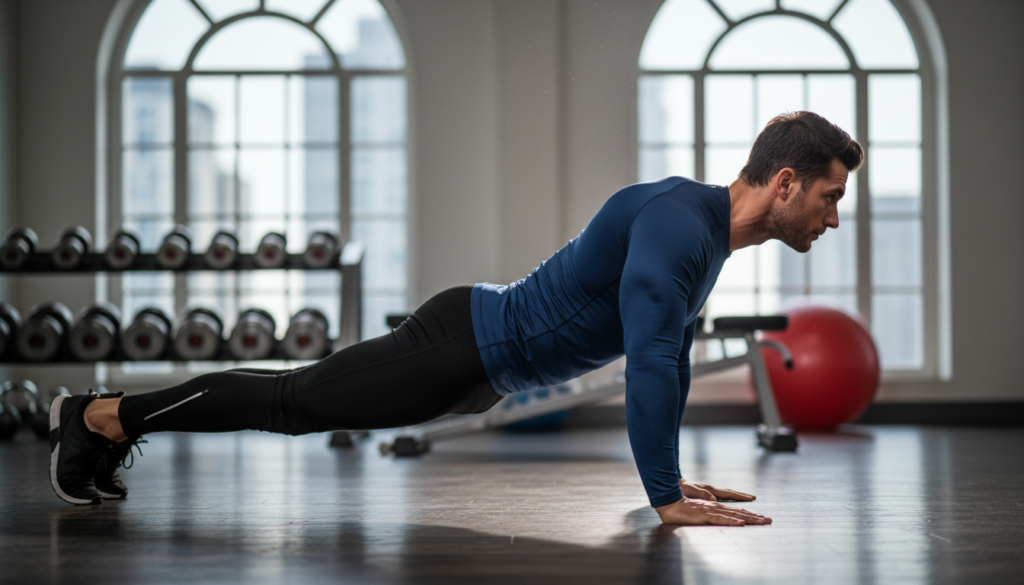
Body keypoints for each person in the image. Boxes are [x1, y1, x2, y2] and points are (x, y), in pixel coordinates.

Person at [49, 111, 862, 526]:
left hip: (475, 373)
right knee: (290, 402)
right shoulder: (679, 224)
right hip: (458, 344)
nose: (831, 218)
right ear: (785, 182)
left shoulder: (707, 238)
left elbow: (674, 357)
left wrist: (671, 474)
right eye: (829, 197)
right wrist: (662, 496)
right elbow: (647, 362)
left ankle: (106, 420)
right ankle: (98, 415)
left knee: (294, 406)